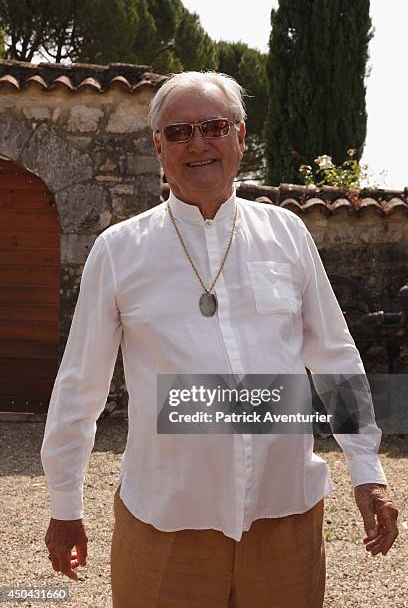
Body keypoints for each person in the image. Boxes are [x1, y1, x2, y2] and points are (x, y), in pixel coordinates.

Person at [41, 71, 399, 607]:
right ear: (157, 145)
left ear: (240, 136)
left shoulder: (287, 234)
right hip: (166, 522)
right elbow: (80, 386)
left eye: (213, 126)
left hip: (286, 520)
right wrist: (65, 503)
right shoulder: (119, 251)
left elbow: (333, 357)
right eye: (179, 131)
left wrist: (367, 471)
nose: (198, 143)